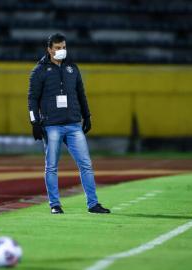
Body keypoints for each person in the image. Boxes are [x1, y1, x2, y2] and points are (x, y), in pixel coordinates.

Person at [28, 33, 110, 215]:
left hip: (73, 124)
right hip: (52, 125)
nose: (61, 51)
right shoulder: (39, 71)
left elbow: (81, 93)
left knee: (86, 164)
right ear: (49, 49)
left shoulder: (72, 67)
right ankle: (55, 204)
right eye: (57, 48)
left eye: (63, 47)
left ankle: (93, 204)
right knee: (51, 166)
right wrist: (34, 122)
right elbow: (32, 99)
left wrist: (87, 116)